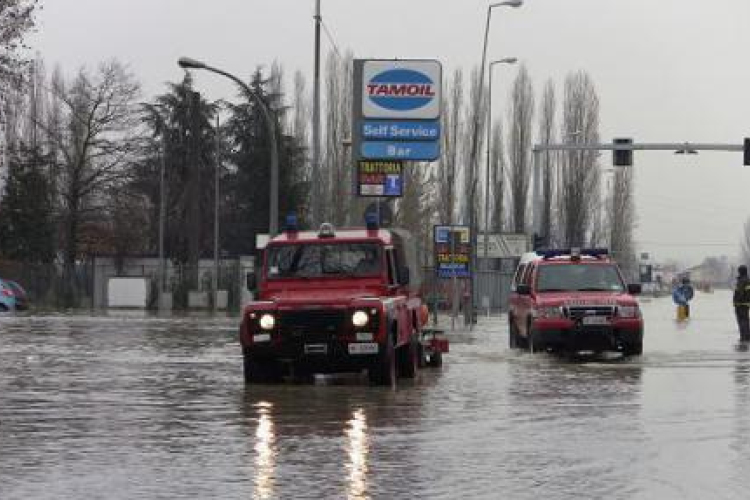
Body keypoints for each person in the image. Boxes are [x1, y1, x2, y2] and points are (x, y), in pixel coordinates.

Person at [733, 265, 750, 341]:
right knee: (746, 320)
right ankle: (747, 337)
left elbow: (739, 293)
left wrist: (736, 302)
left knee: (742, 321)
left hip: (740, 305)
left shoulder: (742, 281)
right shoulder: (748, 280)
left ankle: (744, 337)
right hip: (746, 304)